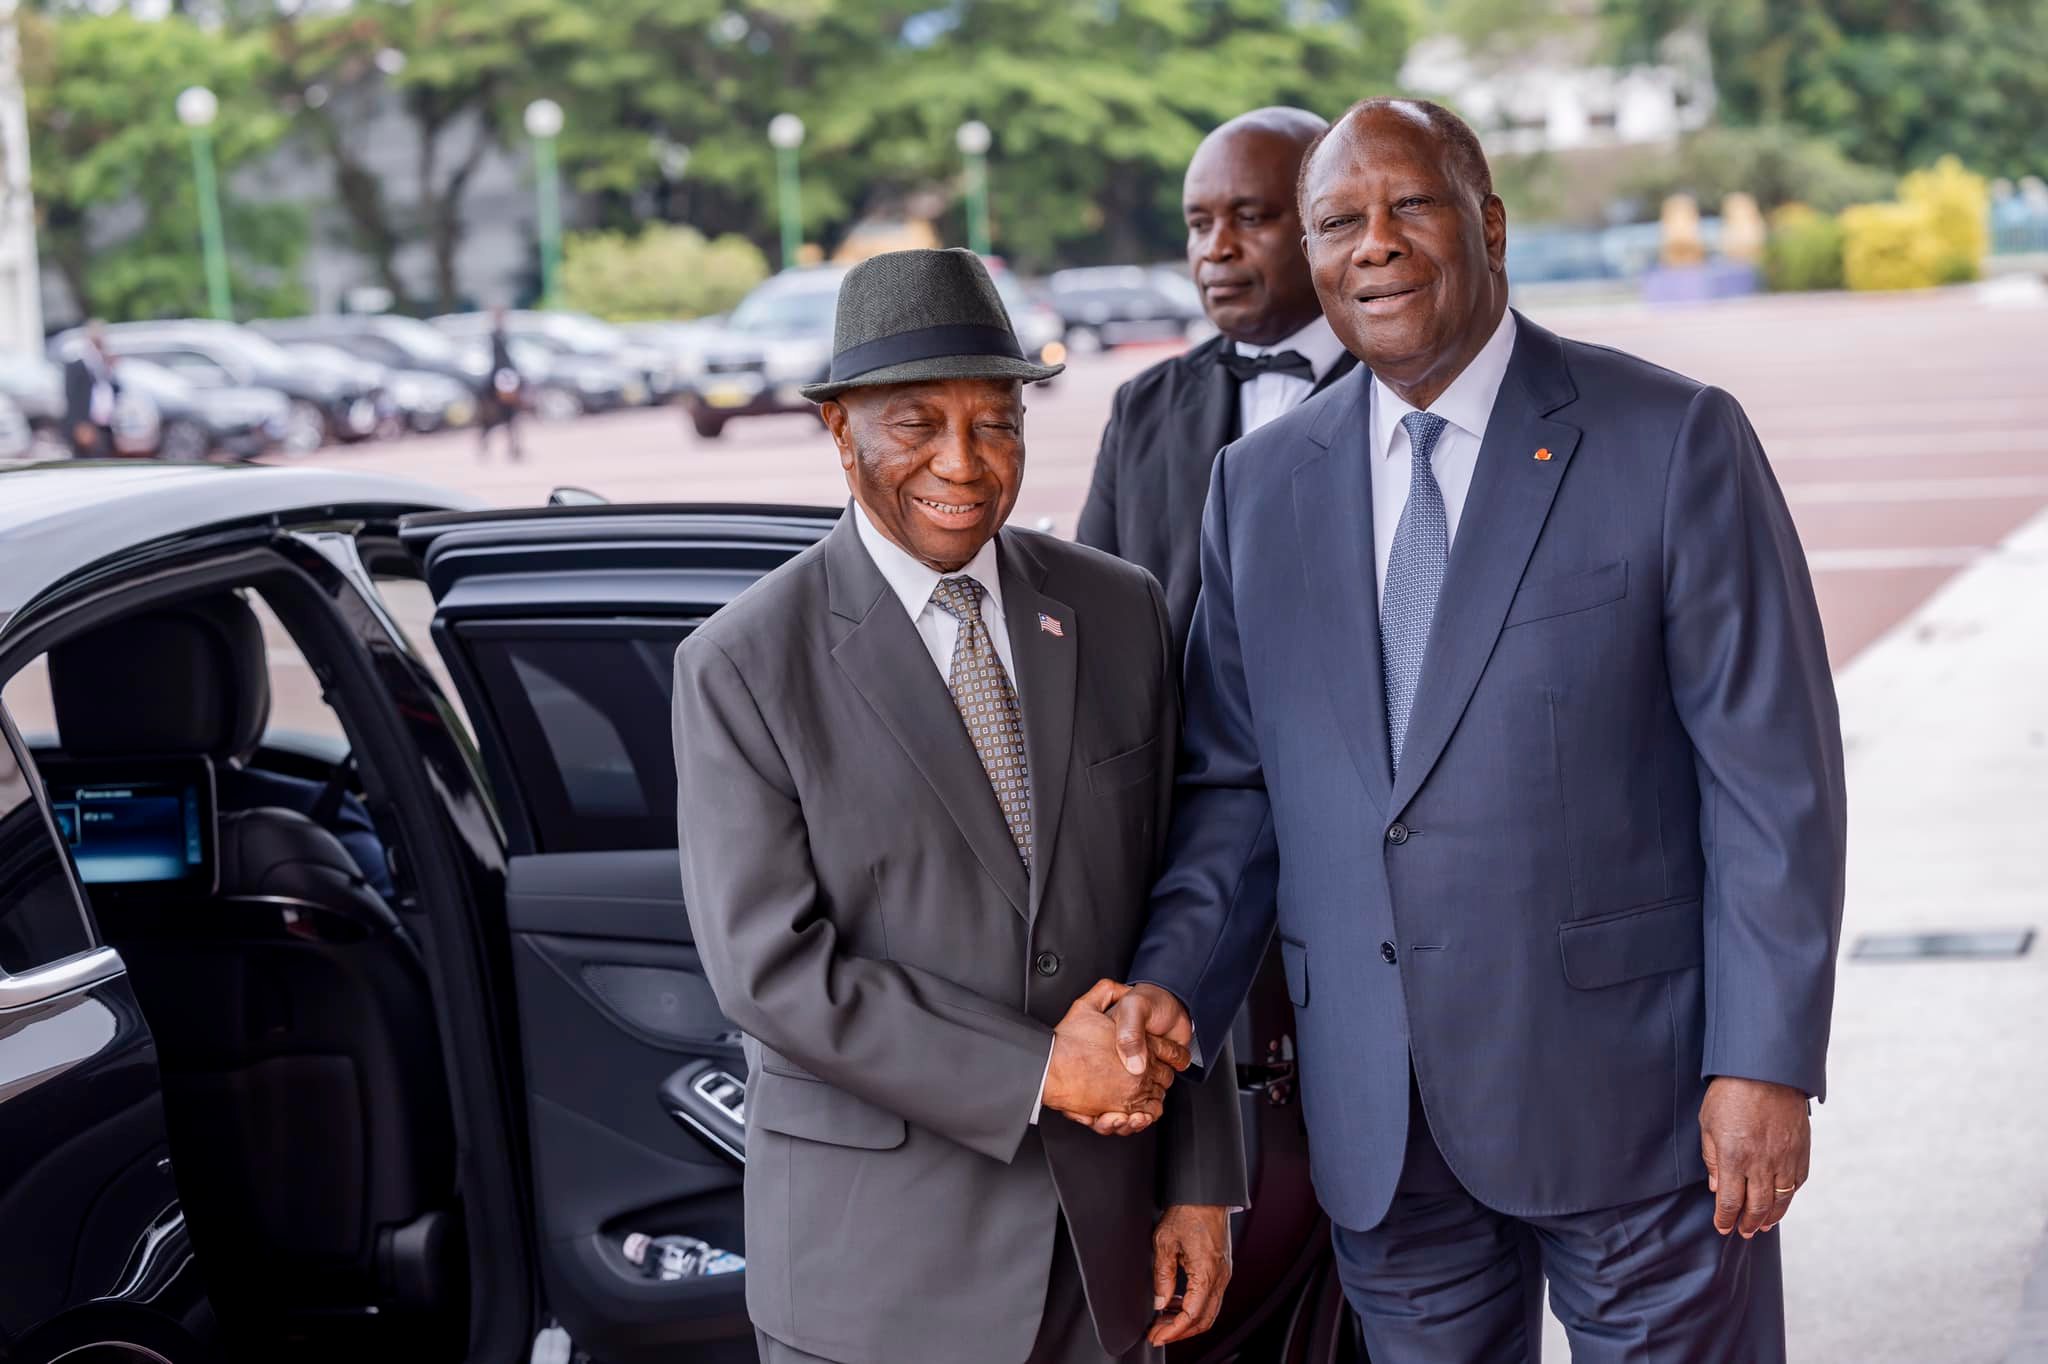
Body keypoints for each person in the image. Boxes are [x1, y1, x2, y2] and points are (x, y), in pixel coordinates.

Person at [1108, 98, 1847, 1361]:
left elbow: (1769, 781)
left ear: (1488, 224)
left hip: (1639, 1102)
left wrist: (1765, 1061)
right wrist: (1167, 990)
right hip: (1383, 1126)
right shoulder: (1259, 487)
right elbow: (1233, 792)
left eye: (1410, 206)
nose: (1372, 244)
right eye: (1336, 220)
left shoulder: (1672, 439)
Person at [671, 248, 1246, 1364]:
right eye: (915, 423)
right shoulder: (741, 663)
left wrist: (1198, 1180)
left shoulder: (1117, 608)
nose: (962, 462)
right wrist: (1037, 1072)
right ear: (840, 430)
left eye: (995, 423)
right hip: (876, 1280)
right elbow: (771, 972)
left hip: (1105, 1250)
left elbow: (1176, 899)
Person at [1077, 107, 1356, 657]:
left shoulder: (1403, 389)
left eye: (1250, 218)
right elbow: (1089, 606)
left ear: (1331, 224)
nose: (1216, 248)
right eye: (1200, 225)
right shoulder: (1144, 405)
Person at [63, 321, 122, 458]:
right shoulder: (78, 366)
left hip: (105, 425)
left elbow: (115, 390)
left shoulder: (104, 365)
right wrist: (79, 424)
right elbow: (72, 397)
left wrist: (112, 369)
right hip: (87, 425)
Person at [477, 305, 523, 460]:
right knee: (496, 419)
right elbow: (500, 361)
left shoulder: (503, 335)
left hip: (503, 378)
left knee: (509, 418)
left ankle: (513, 448)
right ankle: (507, 448)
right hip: (501, 380)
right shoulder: (496, 336)